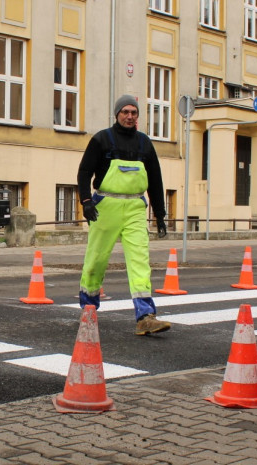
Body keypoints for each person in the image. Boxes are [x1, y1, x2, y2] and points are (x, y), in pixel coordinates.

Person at [77, 95, 170, 336]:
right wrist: (86, 201)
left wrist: (159, 215)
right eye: (126, 112)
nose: (130, 116)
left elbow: (156, 182)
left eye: (134, 112)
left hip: (135, 210)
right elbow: (84, 171)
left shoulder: (144, 144)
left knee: (140, 260)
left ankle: (145, 316)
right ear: (117, 113)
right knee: (96, 259)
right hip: (105, 208)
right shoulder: (102, 139)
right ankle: (88, 307)